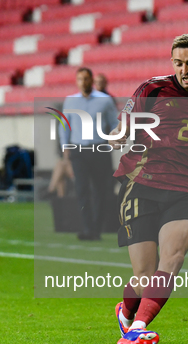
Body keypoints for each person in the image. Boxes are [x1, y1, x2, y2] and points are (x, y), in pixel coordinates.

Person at [107, 32, 188, 344]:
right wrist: (118, 135)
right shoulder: (152, 89)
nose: (184, 70)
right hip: (140, 185)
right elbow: (124, 124)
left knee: (174, 259)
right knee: (144, 276)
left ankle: (137, 331)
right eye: (178, 63)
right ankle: (126, 312)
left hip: (181, 189)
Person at [58, 67, 118, 240]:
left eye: (86, 78)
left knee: (100, 190)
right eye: (80, 79)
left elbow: (114, 123)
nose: (83, 82)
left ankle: (96, 230)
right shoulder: (70, 101)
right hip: (79, 151)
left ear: (92, 80)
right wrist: (66, 152)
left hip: (99, 149)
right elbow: (64, 127)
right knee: (81, 189)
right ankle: (87, 228)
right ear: (76, 81)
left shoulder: (105, 101)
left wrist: (115, 138)